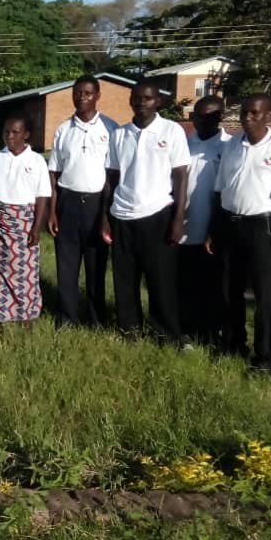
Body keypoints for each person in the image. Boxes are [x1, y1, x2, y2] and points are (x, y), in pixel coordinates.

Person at [206, 93, 271, 372]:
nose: (247, 118)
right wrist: (213, 228)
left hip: (263, 226)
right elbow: (219, 190)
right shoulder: (231, 145)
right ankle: (233, 342)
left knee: (266, 295)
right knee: (229, 289)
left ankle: (265, 356)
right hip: (230, 223)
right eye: (244, 113)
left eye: (255, 113)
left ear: (269, 115)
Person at [102, 81, 190, 344]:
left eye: (148, 98)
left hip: (158, 214)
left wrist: (178, 218)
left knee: (160, 281)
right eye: (136, 98)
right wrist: (106, 217)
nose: (141, 103)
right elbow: (113, 176)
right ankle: (130, 331)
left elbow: (181, 176)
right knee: (125, 281)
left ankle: (166, 334)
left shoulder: (171, 131)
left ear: (158, 102)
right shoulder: (120, 134)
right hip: (123, 215)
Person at [46, 75, 118, 327]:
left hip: (98, 204)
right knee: (66, 264)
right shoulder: (63, 129)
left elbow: (112, 175)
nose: (82, 97)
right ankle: (67, 316)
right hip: (68, 202)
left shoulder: (111, 128)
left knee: (96, 264)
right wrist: (52, 211)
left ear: (97, 95)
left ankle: (97, 318)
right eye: (77, 93)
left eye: (87, 93)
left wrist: (107, 216)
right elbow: (54, 173)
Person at [0, 113, 52, 324]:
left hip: (24, 223)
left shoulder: (37, 161)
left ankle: (25, 315)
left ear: (26, 135)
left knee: (25, 273)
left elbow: (42, 197)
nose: (9, 136)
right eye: (6, 132)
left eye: (15, 132)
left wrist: (36, 228)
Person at [178, 96, 230, 346]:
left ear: (221, 116)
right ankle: (186, 330)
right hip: (186, 227)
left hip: (214, 229)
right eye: (197, 116)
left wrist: (216, 227)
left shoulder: (230, 146)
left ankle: (211, 332)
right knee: (186, 283)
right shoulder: (184, 145)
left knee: (214, 285)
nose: (202, 121)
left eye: (209, 116)